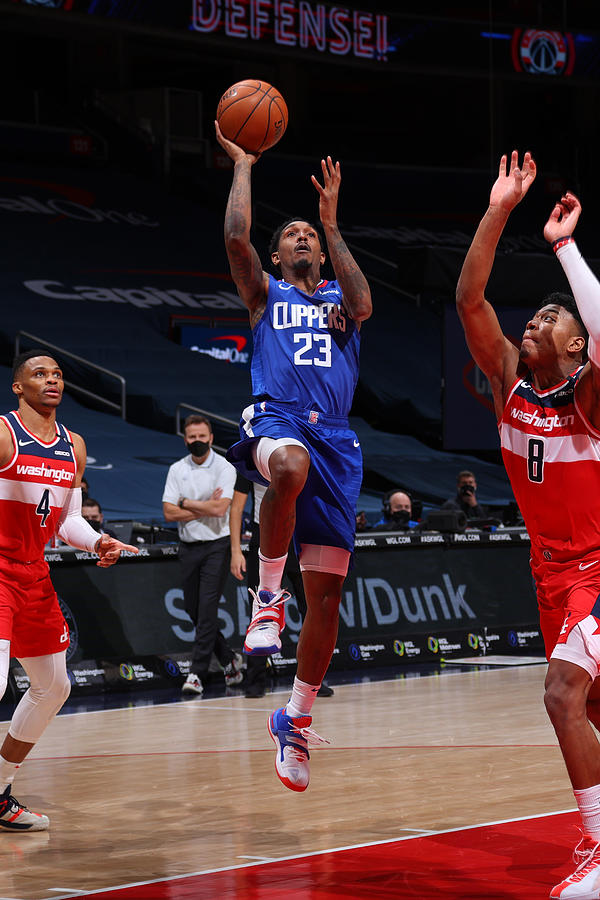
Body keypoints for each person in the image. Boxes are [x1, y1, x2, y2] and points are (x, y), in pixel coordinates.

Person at [456, 151, 600, 899]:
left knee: (561, 695)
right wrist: (500, 209)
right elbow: (470, 296)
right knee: (592, 708)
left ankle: (598, 848)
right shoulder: (512, 386)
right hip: (550, 573)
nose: (534, 322)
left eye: (552, 319)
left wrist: (566, 248)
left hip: (599, 569)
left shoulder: (589, 398)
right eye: (535, 316)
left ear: (576, 345)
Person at [216, 121, 371, 791]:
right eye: (294, 234)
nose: (302, 237)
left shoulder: (340, 298)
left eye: (308, 233)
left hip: (338, 439)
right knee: (285, 467)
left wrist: (333, 224)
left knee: (330, 597)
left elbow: (364, 301)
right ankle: (267, 599)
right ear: (277, 257)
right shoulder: (264, 296)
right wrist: (245, 166)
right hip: (278, 419)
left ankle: (296, 721)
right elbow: (234, 239)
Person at [0, 350, 138, 832]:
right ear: (19, 386)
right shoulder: (3, 433)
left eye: (57, 374)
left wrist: (97, 540)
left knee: (54, 686)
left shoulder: (72, 445)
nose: (52, 380)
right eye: (40, 374)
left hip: (33, 573)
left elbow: (67, 520)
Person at [229, 476, 334, 699]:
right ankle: (255, 680)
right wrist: (236, 550)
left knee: (312, 610)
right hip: (264, 534)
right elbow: (237, 507)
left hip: (301, 534)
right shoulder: (255, 454)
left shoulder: (303, 455)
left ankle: (312, 680)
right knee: (260, 610)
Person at [162, 415, 242, 696]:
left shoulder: (223, 466)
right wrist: (204, 506)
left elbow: (221, 510)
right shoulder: (176, 469)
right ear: (185, 439)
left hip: (216, 546)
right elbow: (168, 512)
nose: (197, 442)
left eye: (202, 437)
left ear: (211, 438)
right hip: (188, 546)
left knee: (207, 609)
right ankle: (229, 660)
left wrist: (186, 503)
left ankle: (196, 673)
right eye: (192, 438)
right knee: (194, 610)